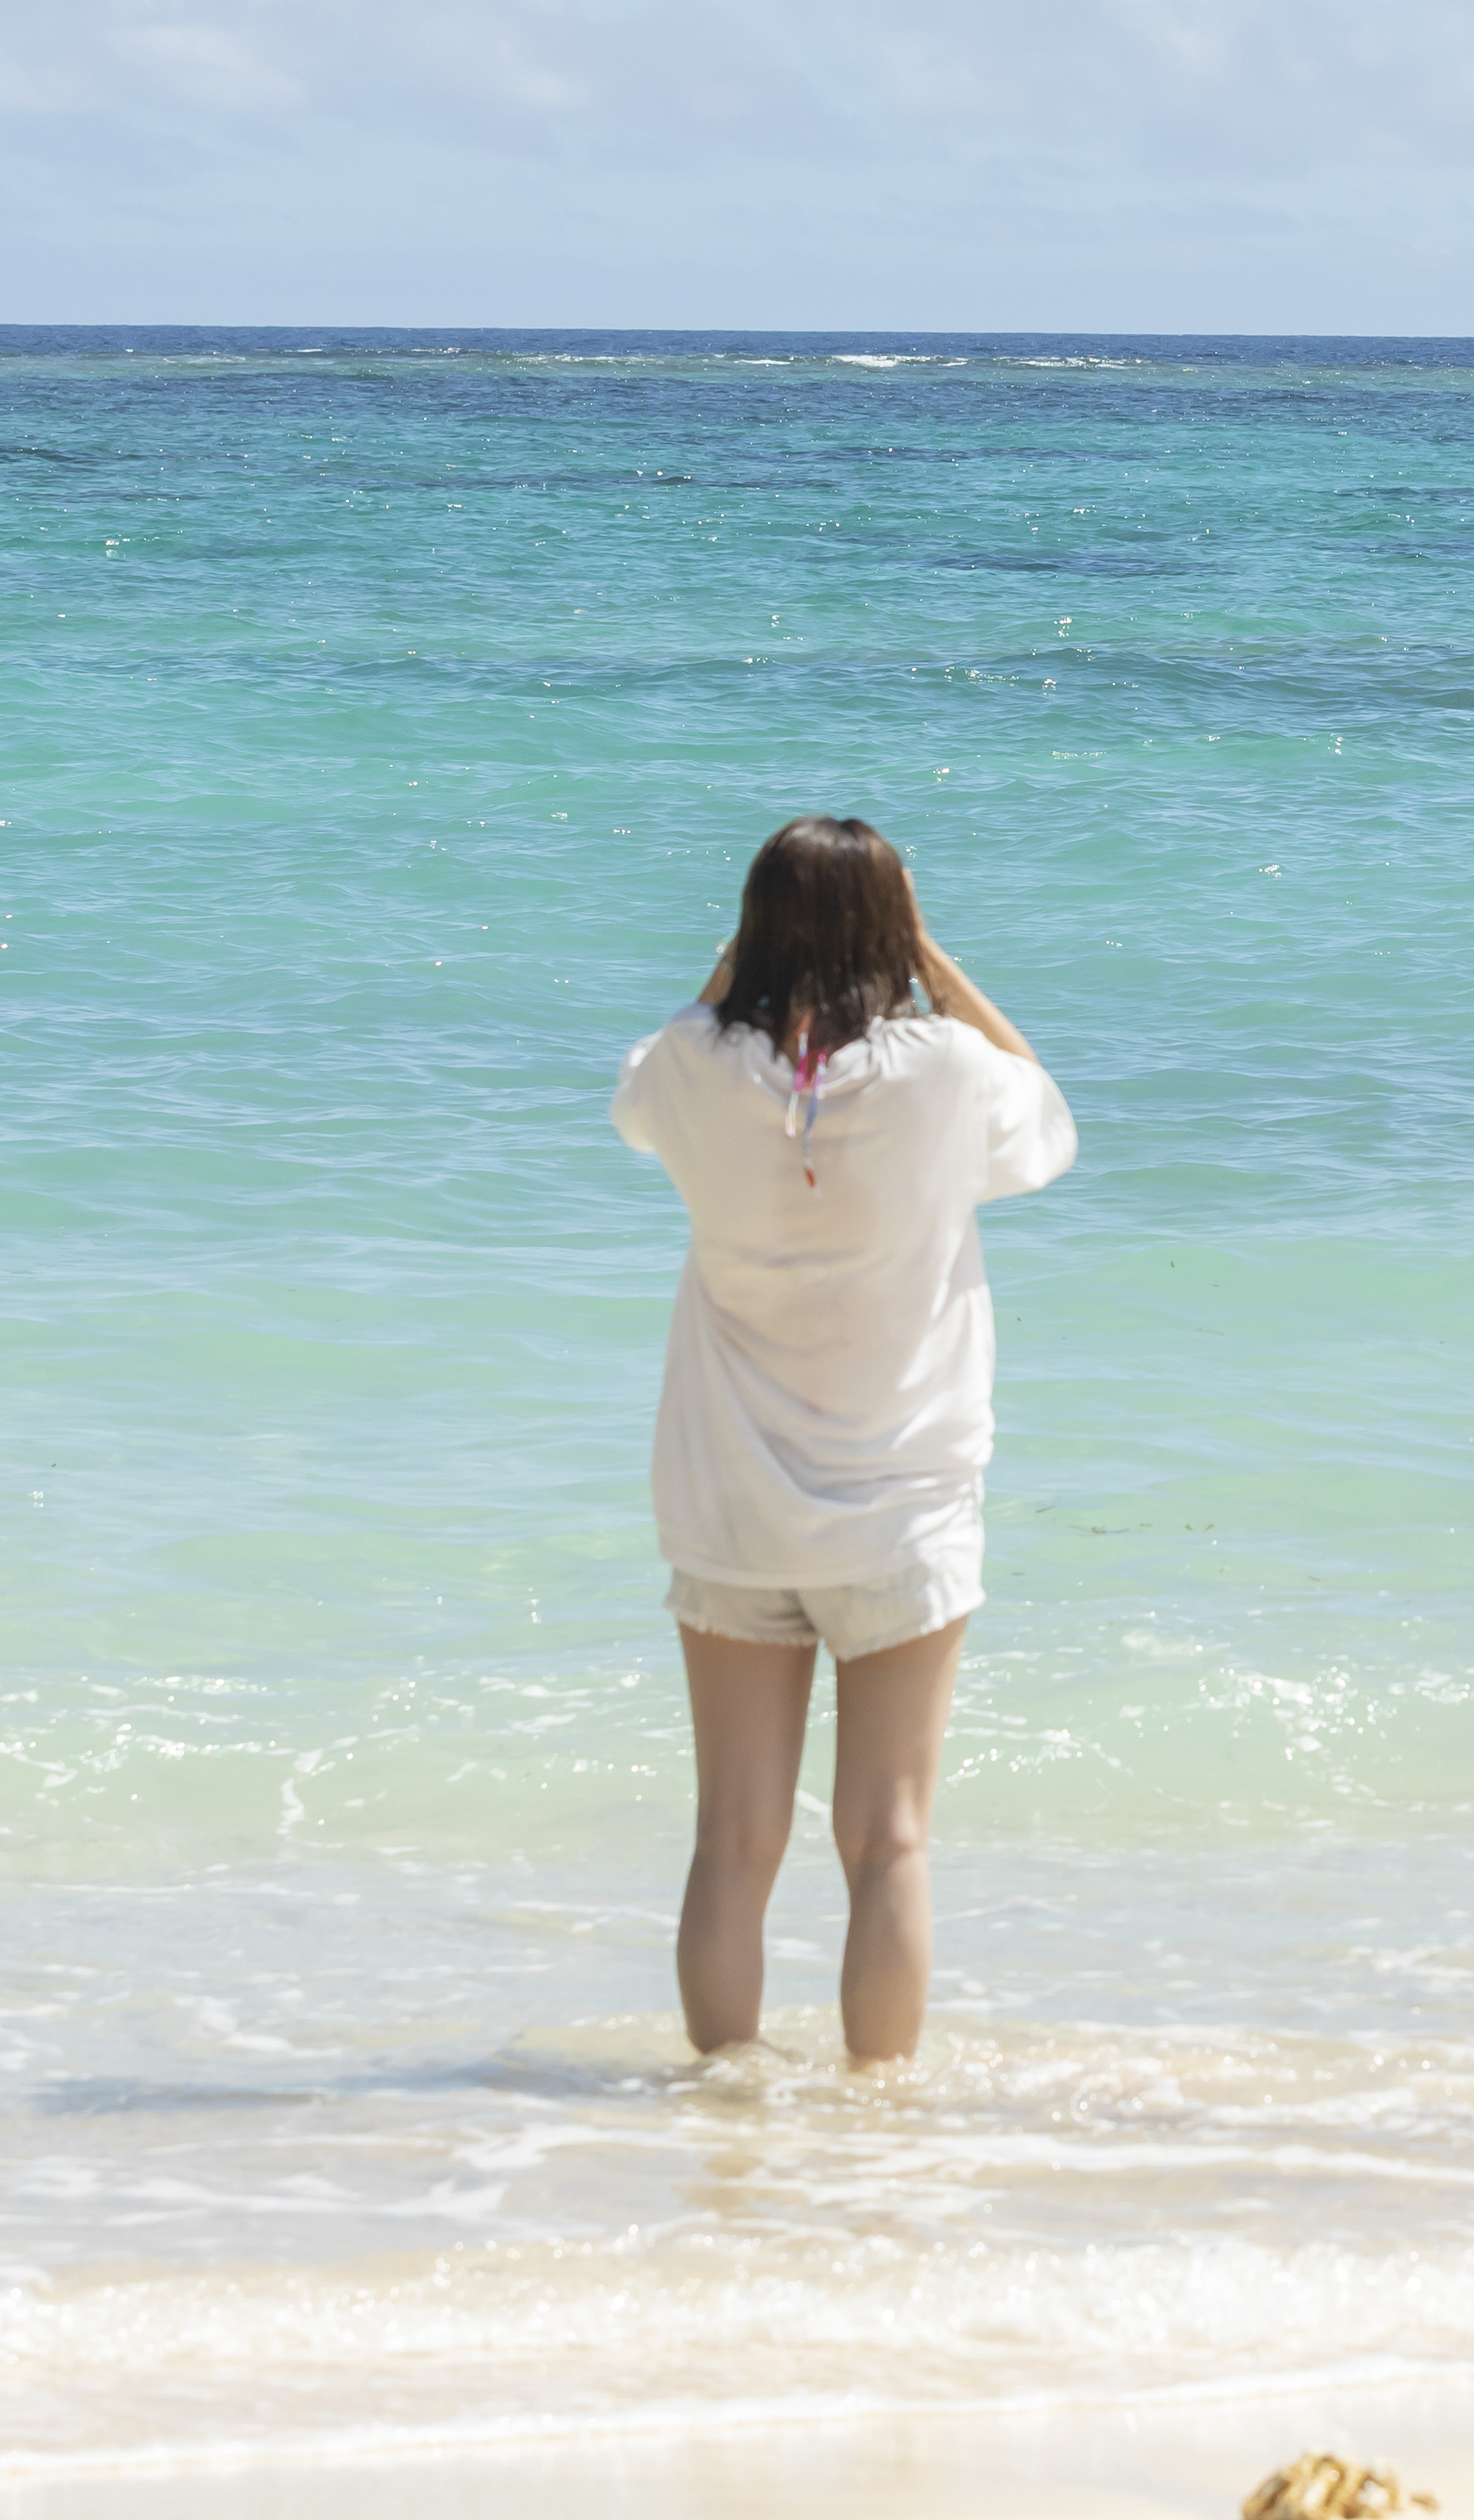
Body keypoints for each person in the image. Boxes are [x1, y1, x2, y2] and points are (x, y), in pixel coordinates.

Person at [609, 816, 1075, 2066]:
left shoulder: (693, 1067)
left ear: (752, 925)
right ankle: (878, 2127)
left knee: (733, 1842)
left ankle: (727, 2109)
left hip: (731, 1507)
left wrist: (732, 970)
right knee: (889, 1843)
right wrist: (936, 957)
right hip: (902, 1508)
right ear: (896, 930)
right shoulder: (945, 1071)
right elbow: (1049, 1120)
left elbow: (640, 1090)